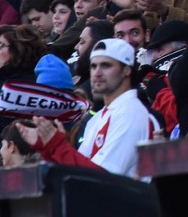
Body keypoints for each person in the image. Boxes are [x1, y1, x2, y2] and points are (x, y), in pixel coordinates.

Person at [33, 38, 159, 176]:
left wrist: (57, 146)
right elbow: (78, 172)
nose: (97, 73)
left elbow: (104, 179)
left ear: (126, 70)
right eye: (93, 66)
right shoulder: (98, 117)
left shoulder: (131, 115)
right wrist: (51, 148)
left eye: (106, 65)